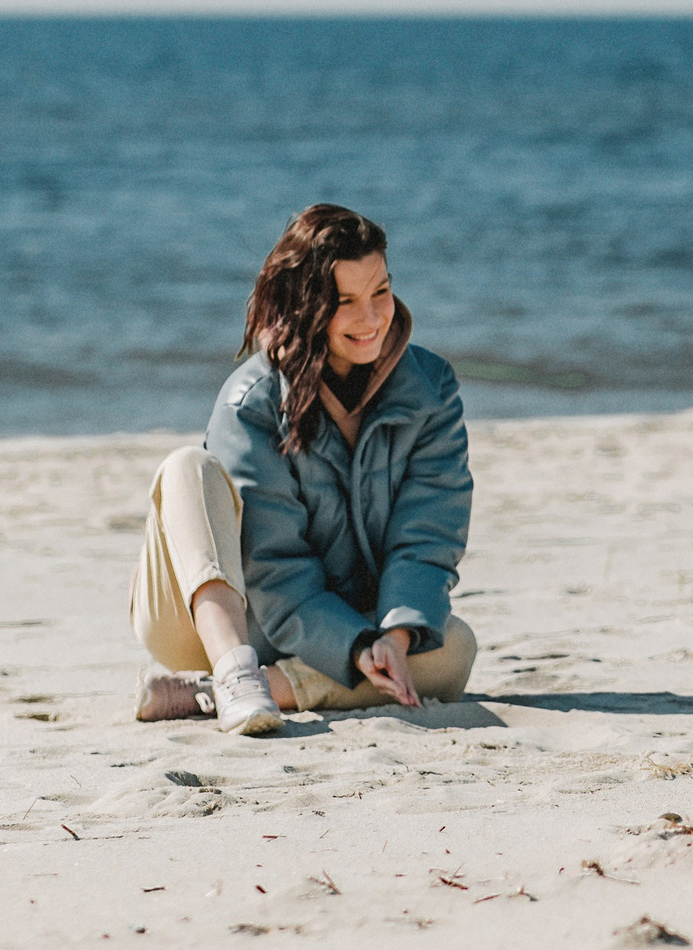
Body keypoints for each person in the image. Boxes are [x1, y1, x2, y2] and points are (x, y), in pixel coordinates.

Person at [128, 203, 478, 735]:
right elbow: (272, 564)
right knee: (187, 468)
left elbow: (428, 534)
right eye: (345, 302)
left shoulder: (430, 389)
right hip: (218, 617)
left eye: (380, 291)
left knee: (451, 651)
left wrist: (387, 639)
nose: (371, 318)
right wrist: (356, 644)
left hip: (335, 627)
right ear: (306, 306)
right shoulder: (252, 401)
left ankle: (212, 693)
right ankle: (232, 671)